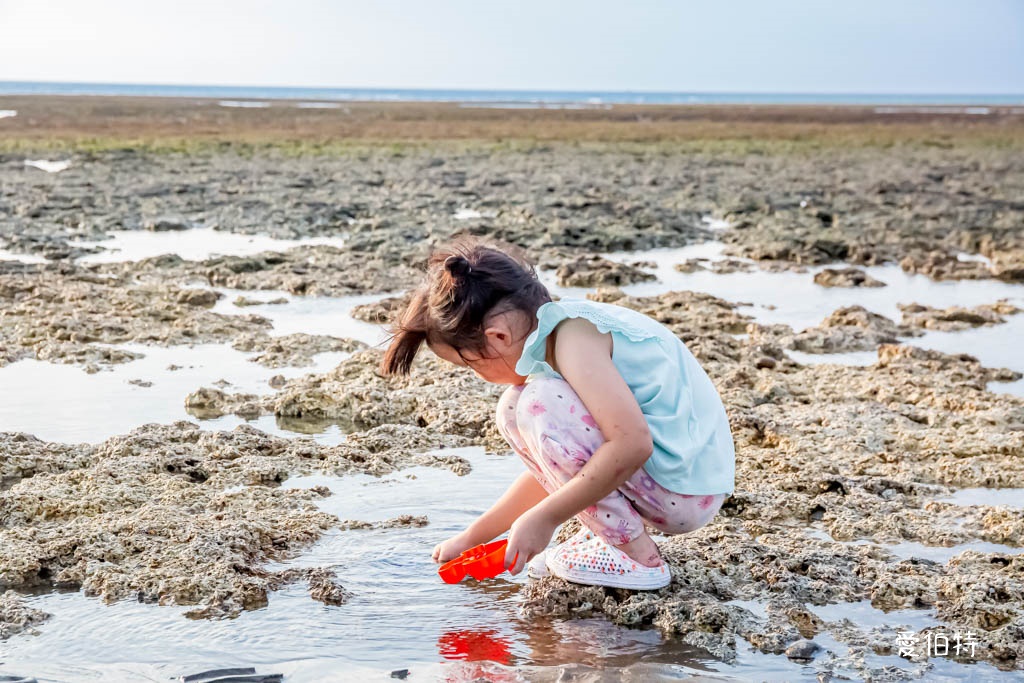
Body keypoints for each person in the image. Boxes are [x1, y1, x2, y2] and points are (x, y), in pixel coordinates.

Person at [381, 237, 735, 590]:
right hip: (677, 482)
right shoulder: (563, 332)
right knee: (514, 407)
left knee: (537, 401)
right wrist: (475, 535)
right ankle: (610, 536)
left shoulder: (574, 340)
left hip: (685, 490)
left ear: (498, 337)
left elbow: (632, 445)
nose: (479, 377)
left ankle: (638, 557)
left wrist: (546, 519)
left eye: (470, 365)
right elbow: (561, 466)